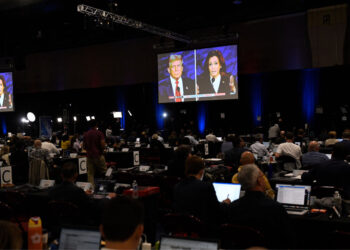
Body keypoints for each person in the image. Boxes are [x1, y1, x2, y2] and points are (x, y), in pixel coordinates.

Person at [227, 164, 292, 248]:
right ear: (259, 181)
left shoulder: (232, 207)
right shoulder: (275, 208)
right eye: (263, 176)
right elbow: (288, 240)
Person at [173, 155, 229, 229]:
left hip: (182, 226)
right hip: (202, 228)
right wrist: (225, 203)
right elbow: (216, 210)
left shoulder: (177, 187)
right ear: (202, 170)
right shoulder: (206, 187)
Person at [83, 120, 107, 185]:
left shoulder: (86, 134)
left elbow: (84, 147)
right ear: (96, 125)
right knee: (105, 172)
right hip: (98, 155)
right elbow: (102, 145)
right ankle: (106, 187)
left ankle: (91, 190)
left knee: (90, 174)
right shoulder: (99, 133)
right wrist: (103, 150)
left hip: (89, 156)